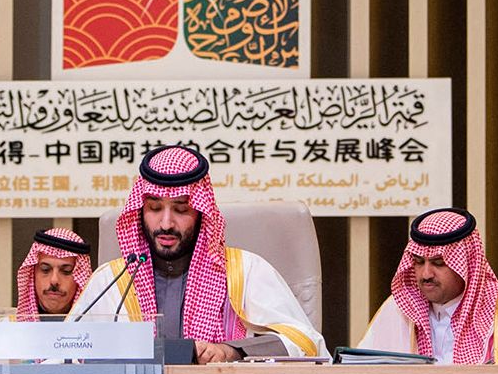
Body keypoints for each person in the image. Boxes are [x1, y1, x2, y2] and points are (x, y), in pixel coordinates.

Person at [65, 145, 326, 361]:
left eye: (181, 210)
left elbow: (306, 343)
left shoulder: (245, 272)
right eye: (154, 208)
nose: (166, 223)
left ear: (201, 214)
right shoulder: (111, 280)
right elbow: (63, 352)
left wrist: (232, 351)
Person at [355, 207, 498, 363]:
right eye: (419, 262)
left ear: (465, 264)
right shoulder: (400, 306)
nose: (426, 274)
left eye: (438, 263)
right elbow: (359, 370)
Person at [0, 228, 94, 357]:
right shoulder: (2, 336)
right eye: (45, 269)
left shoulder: (95, 336)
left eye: (66, 271)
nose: (54, 280)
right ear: (32, 275)